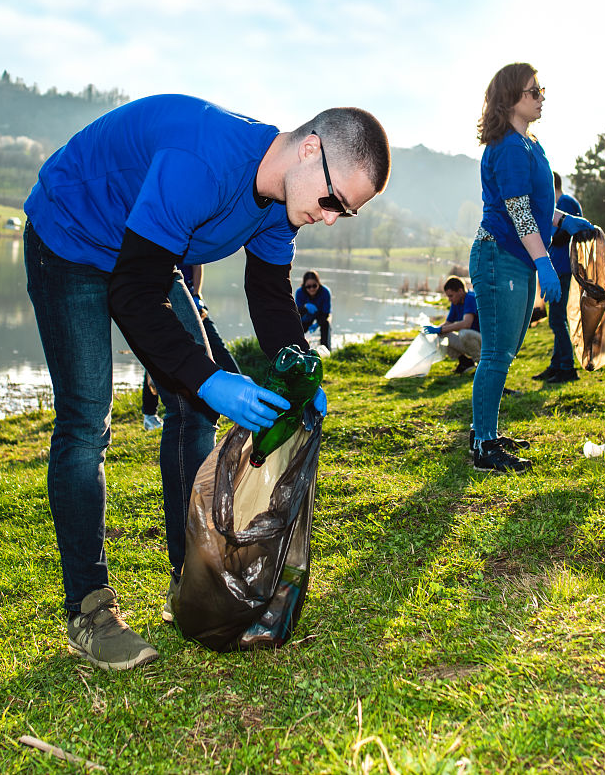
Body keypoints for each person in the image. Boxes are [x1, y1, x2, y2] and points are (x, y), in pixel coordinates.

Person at [23, 94, 389, 669]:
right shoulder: (205, 162)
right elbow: (132, 295)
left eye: (345, 212)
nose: (328, 217)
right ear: (310, 149)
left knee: (193, 407)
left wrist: (297, 365)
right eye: (332, 200)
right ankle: (89, 609)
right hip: (71, 238)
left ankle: (188, 580)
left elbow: (268, 293)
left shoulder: (281, 200)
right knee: (85, 421)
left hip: (142, 254)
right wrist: (210, 378)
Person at [469, 63, 593, 472]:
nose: (541, 96)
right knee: (496, 354)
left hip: (517, 258)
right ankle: (483, 445)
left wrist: (561, 220)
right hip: (499, 256)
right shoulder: (506, 147)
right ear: (510, 99)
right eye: (533, 91)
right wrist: (543, 260)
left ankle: (485, 429)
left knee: (506, 350)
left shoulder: (530, 144)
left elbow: (535, 206)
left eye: (541, 90)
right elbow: (517, 210)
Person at [142, 263, 239, 429]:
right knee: (158, 350)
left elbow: (197, 265)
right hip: (163, 296)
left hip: (190, 298)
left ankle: (239, 398)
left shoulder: (190, 239)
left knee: (215, 346)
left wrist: (197, 295)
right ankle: (150, 413)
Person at [532, 171, 582, 384]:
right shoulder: (560, 202)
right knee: (556, 319)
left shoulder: (565, 203)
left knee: (557, 320)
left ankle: (567, 368)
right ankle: (556, 365)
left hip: (564, 268)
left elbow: (564, 236)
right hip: (557, 267)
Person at [422, 276, 482, 374]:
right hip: (472, 341)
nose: (449, 299)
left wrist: (441, 329)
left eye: (451, 296)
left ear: (460, 291)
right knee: (442, 334)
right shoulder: (456, 302)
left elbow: (467, 323)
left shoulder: (470, 298)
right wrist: (434, 331)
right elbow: (447, 323)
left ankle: (481, 365)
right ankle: (465, 362)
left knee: (464, 333)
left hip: (484, 342)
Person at [294, 270, 333, 349]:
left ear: (318, 284)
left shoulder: (325, 292)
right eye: (308, 287)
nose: (311, 289)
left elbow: (326, 313)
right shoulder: (299, 292)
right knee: (297, 328)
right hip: (305, 316)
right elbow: (296, 312)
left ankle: (326, 349)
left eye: (314, 286)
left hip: (321, 314)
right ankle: (299, 348)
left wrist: (317, 324)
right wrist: (305, 307)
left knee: (326, 324)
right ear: (304, 286)